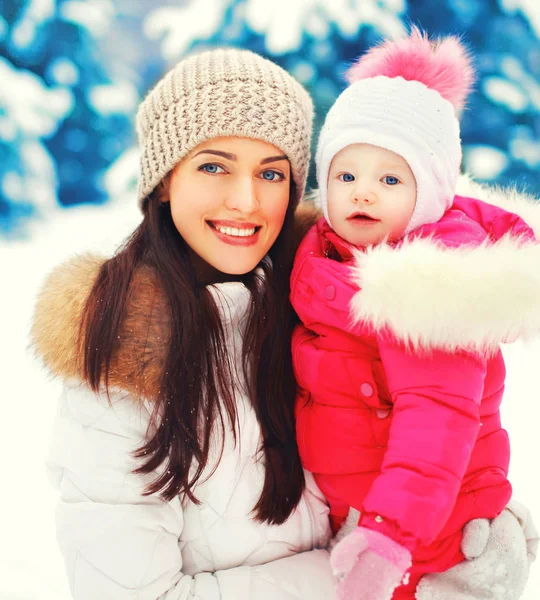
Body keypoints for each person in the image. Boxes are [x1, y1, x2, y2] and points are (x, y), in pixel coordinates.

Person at [32, 46, 536, 600]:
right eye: (213, 166)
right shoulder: (119, 360)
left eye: (271, 172)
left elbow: (435, 422)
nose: (246, 201)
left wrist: (472, 514)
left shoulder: (321, 295)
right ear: (164, 180)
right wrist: (386, 577)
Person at [290, 29, 540, 600]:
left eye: (390, 179)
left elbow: (438, 421)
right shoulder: (325, 258)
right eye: (346, 176)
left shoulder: (427, 284)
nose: (363, 194)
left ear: (428, 194)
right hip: (363, 516)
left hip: (426, 540)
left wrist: (387, 538)